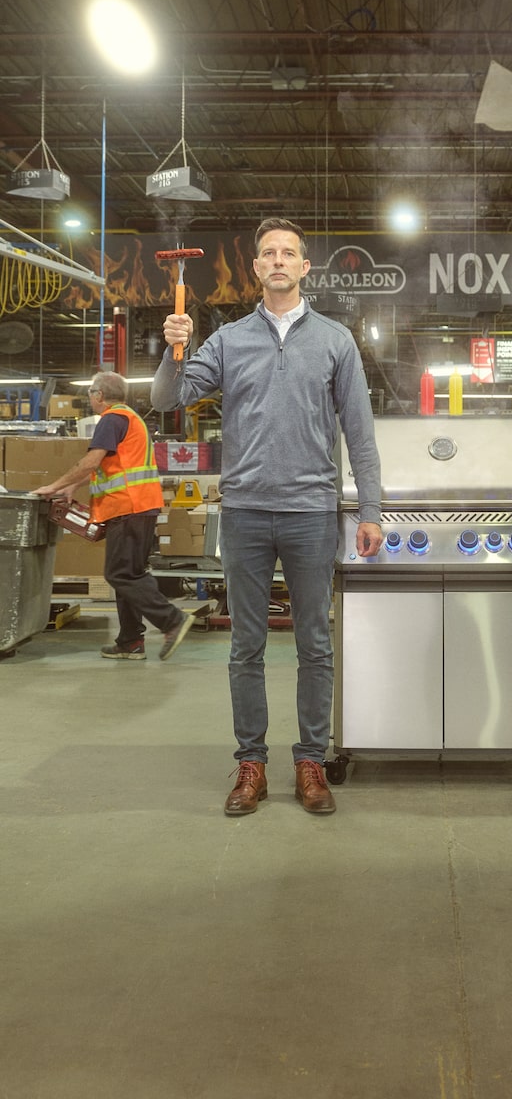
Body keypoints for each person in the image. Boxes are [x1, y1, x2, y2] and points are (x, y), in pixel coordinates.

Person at [152, 217, 383, 818]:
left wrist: (372, 509)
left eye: (289, 253)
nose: (278, 261)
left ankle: (310, 761)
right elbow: (167, 399)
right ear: (255, 269)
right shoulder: (227, 341)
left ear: (305, 267)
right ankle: (250, 762)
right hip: (247, 511)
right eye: (267, 254)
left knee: (316, 645)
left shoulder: (335, 340)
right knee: (245, 648)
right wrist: (173, 348)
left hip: (311, 513)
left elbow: (359, 433)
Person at [34, 372, 194, 662]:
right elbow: (109, 465)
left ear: (98, 395)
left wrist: (54, 486)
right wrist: (72, 487)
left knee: (121, 574)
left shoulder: (111, 419)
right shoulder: (130, 417)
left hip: (128, 508)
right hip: (140, 507)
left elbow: (91, 461)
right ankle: (130, 641)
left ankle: (172, 620)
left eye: (90, 395)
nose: (89, 400)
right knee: (129, 574)